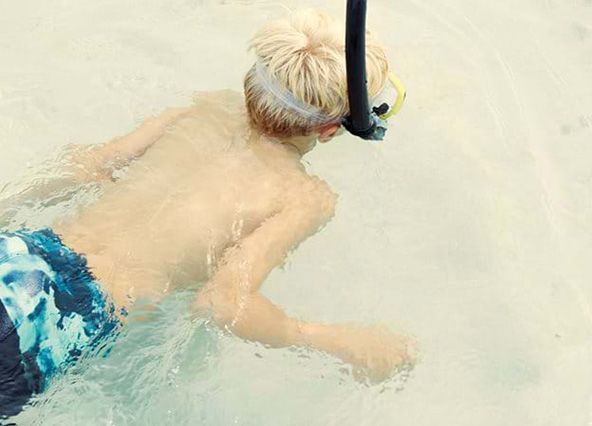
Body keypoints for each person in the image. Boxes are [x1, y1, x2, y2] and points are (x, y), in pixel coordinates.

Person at [0, 8, 414, 418]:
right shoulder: (303, 196)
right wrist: (337, 341)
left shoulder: (206, 109)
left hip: (22, 254)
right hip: (62, 317)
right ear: (329, 129)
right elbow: (220, 302)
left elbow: (86, 166)